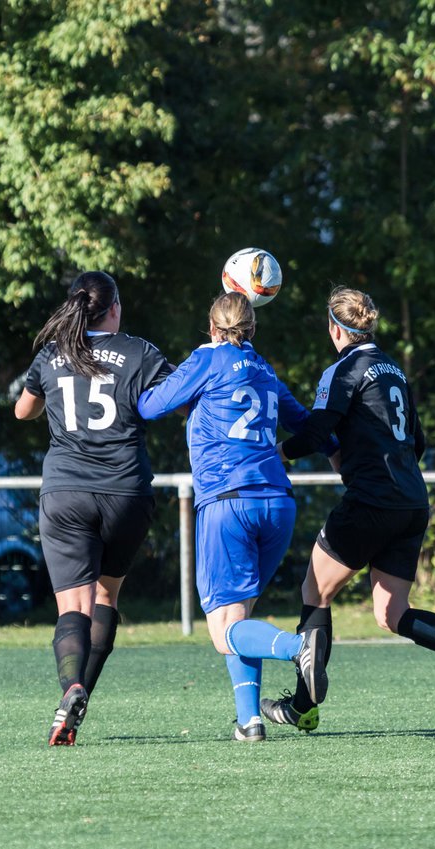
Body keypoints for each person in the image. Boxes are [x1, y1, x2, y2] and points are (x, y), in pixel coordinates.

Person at [261, 286, 435, 732]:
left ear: (336, 329)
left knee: (314, 592)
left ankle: (304, 705)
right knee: (391, 612)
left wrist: (274, 453)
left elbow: (319, 432)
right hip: (411, 502)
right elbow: (415, 442)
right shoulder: (393, 370)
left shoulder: (343, 370)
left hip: (372, 502)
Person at [138, 292, 328, 742]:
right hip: (278, 502)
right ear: (253, 329)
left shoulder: (208, 359)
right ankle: (250, 721)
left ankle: (299, 648)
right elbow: (305, 423)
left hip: (229, 502)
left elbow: (149, 407)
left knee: (224, 632)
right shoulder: (264, 368)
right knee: (239, 620)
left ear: (211, 327)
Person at [15, 271, 172, 746]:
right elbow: (173, 402)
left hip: (66, 494)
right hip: (126, 492)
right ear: (116, 308)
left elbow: (24, 411)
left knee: (73, 606)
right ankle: (80, 702)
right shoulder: (141, 351)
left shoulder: (52, 353)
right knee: (106, 599)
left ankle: (72, 688)